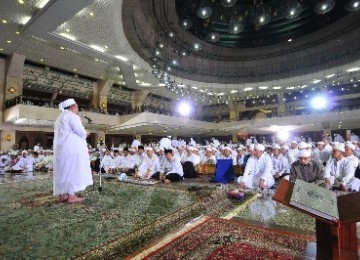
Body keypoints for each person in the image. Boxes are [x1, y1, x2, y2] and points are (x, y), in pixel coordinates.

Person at [53, 98, 93, 203]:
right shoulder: (71, 116)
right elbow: (79, 130)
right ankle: (71, 196)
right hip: (71, 149)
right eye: (77, 107)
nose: (77, 109)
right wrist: (86, 133)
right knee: (72, 170)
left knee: (63, 171)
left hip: (62, 150)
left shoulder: (60, 117)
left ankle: (62, 195)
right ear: (72, 107)